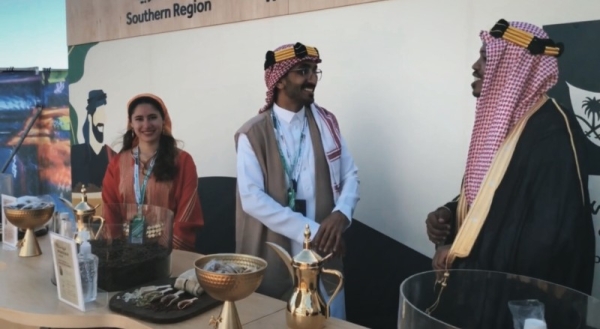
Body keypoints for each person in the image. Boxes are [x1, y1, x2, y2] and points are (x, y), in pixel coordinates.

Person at [425, 19, 595, 295]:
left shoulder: (553, 131)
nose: (475, 67)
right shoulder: (503, 123)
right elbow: (494, 194)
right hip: (480, 291)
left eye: (485, 58)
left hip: (519, 298)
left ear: (513, 67)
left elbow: (548, 237)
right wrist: (450, 212)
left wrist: (464, 256)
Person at [234, 42, 360, 319]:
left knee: (328, 318)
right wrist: (313, 232)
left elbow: (350, 174)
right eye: (303, 71)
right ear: (279, 80)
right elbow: (252, 199)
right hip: (276, 248)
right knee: (273, 318)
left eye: (315, 71)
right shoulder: (252, 134)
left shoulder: (326, 123)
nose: (312, 79)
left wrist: (341, 214)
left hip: (323, 252)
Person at [101, 93, 204, 251]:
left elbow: (187, 214)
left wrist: (167, 252)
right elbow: (110, 211)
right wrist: (116, 252)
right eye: (139, 119)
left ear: (163, 120)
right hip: (126, 252)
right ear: (131, 124)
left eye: (152, 117)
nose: (146, 125)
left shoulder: (183, 161)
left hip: (168, 251)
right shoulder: (117, 164)